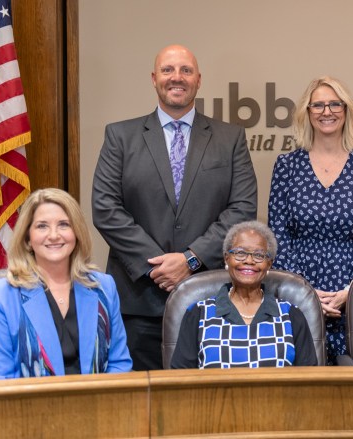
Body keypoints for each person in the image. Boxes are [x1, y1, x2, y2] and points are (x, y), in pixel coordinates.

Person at [92, 44, 257, 370]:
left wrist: (191, 259)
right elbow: (105, 208)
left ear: (198, 80)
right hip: (139, 300)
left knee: (212, 407)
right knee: (143, 407)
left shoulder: (230, 138)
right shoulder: (120, 136)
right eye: (168, 70)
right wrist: (158, 265)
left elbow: (242, 208)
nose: (176, 77)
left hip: (212, 297)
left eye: (185, 70)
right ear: (154, 79)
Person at [268, 76, 353, 364]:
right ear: (307, 113)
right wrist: (305, 291)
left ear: (346, 111)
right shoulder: (287, 167)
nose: (327, 111)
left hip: (352, 296)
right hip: (297, 290)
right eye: (318, 105)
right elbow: (278, 236)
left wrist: (350, 291)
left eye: (335, 104)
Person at [0, 189, 132, 380]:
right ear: (27, 239)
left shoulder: (103, 287)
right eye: (42, 226)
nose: (54, 235)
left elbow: (119, 364)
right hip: (28, 407)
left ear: (76, 234)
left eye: (64, 225)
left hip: (98, 405)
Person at [171, 221, 317, 368]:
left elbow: (309, 381)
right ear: (226, 258)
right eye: (240, 253)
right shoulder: (198, 314)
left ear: (269, 263)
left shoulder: (291, 315)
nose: (249, 260)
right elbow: (180, 380)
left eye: (259, 255)